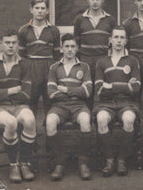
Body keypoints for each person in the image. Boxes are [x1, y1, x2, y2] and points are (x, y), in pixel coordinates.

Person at [0, 29, 36, 183]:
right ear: (1, 44)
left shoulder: (25, 64)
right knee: (11, 122)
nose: (11, 46)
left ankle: (24, 163)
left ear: (18, 45)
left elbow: (26, 94)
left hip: (20, 105)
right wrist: (13, 90)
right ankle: (13, 165)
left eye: (14, 43)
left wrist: (1, 92)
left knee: (30, 119)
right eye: (7, 43)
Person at [94, 26, 141, 177]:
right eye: (116, 37)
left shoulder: (132, 61)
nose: (119, 41)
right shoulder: (102, 61)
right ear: (110, 40)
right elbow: (99, 88)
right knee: (101, 119)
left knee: (128, 119)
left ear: (126, 41)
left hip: (127, 103)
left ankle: (122, 159)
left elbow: (136, 88)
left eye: (122, 38)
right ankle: (109, 159)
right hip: (106, 103)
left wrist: (112, 85)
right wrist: (125, 86)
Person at [46, 34, 92, 181]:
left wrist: (65, 90)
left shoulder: (84, 66)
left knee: (85, 120)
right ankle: (58, 164)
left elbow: (87, 91)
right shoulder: (54, 67)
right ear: (61, 49)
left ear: (77, 48)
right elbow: (51, 93)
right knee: (50, 122)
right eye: (67, 46)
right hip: (59, 106)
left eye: (73, 46)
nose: (70, 49)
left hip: (79, 106)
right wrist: (75, 93)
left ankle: (83, 163)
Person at [18, 0, 61, 112]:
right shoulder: (23, 30)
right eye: (37, 8)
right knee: (31, 101)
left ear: (47, 11)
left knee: (49, 100)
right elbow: (21, 55)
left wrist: (55, 72)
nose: (40, 11)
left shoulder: (54, 30)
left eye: (43, 8)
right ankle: (30, 129)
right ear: (31, 10)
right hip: (31, 67)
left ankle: (49, 128)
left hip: (49, 66)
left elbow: (57, 55)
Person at [73, 0, 117, 81]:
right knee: (86, 91)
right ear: (88, 0)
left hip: (103, 60)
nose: (95, 2)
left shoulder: (110, 20)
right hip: (85, 60)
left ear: (103, 0)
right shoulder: (79, 19)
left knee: (102, 90)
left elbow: (113, 44)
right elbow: (76, 43)